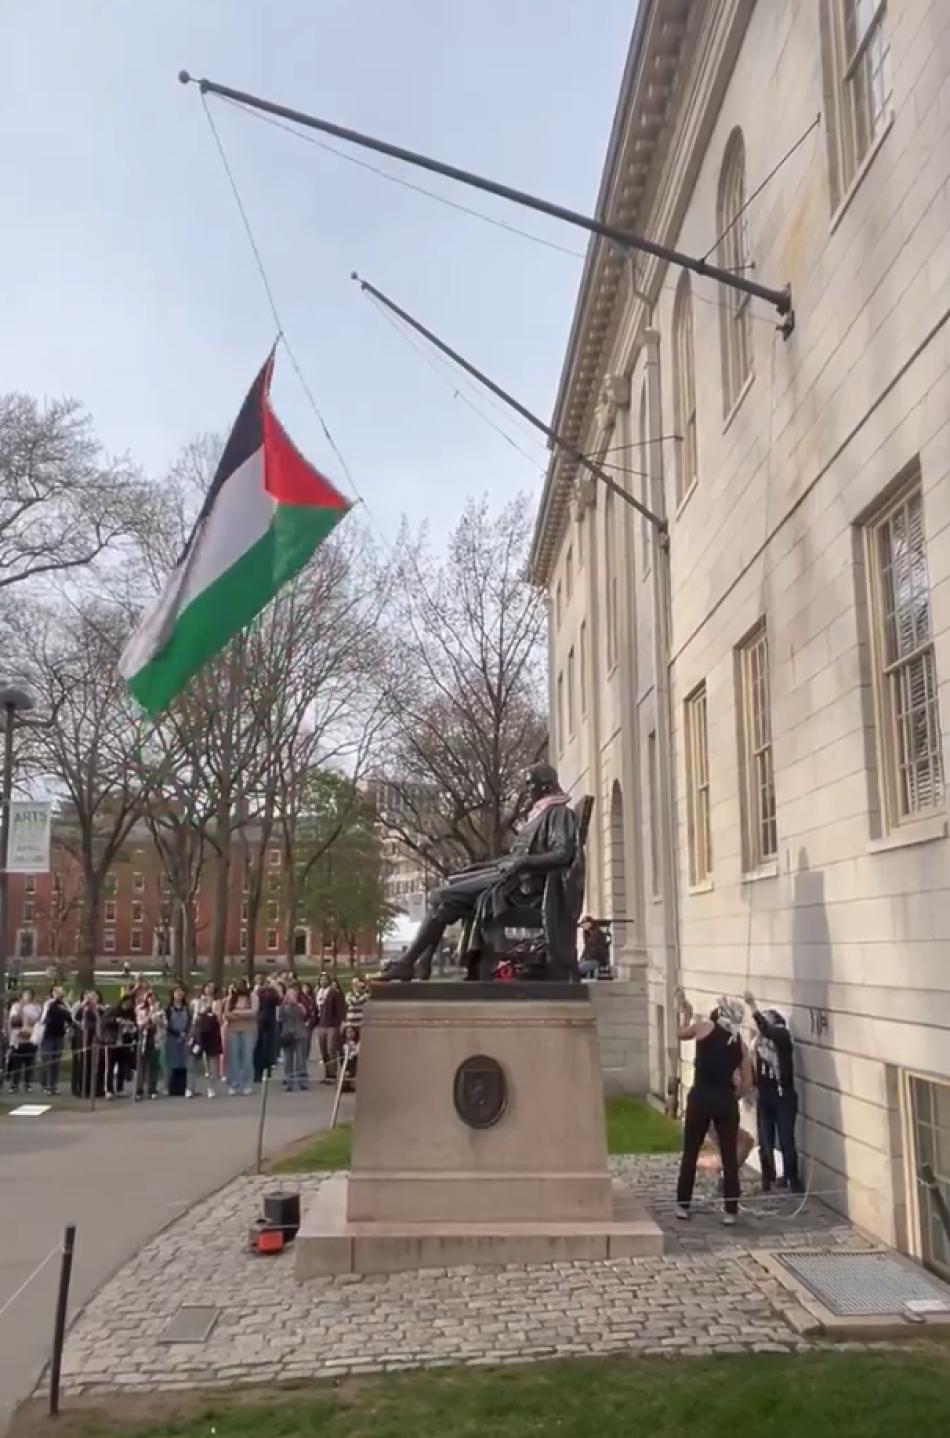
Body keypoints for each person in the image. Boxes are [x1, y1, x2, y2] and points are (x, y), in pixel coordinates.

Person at [379, 762, 580, 982]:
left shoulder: (560, 813)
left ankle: (411, 963)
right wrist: (481, 867)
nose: (526, 790)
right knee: (450, 886)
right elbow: (515, 857)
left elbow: (563, 854)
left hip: (524, 889)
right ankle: (419, 963)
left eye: (530, 784)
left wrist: (522, 863)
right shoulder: (540, 813)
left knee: (443, 896)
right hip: (509, 878)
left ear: (546, 787)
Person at [674, 992, 752, 1225]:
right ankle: (730, 1210)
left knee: (690, 1152)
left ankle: (682, 1205)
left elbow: (679, 1034)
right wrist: (732, 1095)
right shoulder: (740, 1044)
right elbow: (747, 1082)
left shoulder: (702, 1028)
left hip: (700, 1097)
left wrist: (684, 1015)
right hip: (725, 1101)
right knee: (729, 1157)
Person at [744, 990, 802, 1192]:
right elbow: (751, 1062)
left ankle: (792, 1178)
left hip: (782, 1095)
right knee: (765, 1139)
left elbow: (766, 1029)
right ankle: (767, 1179)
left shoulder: (782, 1037)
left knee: (786, 1138)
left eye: (768, 1020)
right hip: (765, 1095)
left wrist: (752, 1006)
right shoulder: (759, 1044)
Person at [37, 985, 74, 1096]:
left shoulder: (64, 1004)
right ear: (52, 992)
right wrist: (52, 1003)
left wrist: (67, 1012)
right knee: (47, 1060)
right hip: (47, 1035)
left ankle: (53, 1085)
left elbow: (70, 1018)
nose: (59, 993)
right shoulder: (49, 1004)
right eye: (57, 991)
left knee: (55, 1061)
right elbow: (43, 1019)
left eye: (61, 991)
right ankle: (45, 1085)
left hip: (59, 1035)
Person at [223, 980, 257, 1094]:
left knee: (247, 1057)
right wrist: (241, 1014)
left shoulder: (252, 996)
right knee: (233, 1057)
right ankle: (233, 1083)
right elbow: (226, 1013)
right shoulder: (231, 998)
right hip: (232, 1030)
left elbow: (253, 1012)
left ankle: (247, 1083)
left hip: (248, 1029)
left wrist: (236, 1013)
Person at [5, 986, 41, 1094]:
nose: (28, 996)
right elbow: (14, 1020)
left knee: (29, 1062)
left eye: (30, 994)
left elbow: (39, 1019)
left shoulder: (36, 1007)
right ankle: (14, 1084)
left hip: (31, 1036)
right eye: (25, 994)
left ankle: (27, 1083)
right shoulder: (16, 1006)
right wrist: (21, 1007)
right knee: (17, 1062)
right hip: (18, 1037)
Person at [190, 982, 223, 1098]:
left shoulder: (217, 1002)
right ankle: (190, 1088)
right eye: (207, 987)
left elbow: (219, 1018)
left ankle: (211, 1088)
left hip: (212, 1033)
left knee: (212, 1062)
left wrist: (214, 1011)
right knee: (193, 1059)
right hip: (198, 1033)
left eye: (212, 988)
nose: (209, 990)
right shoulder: (196, 1001)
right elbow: (194, 1017)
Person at [70, 990, 105, 1100]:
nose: (91, 999)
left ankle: (94, 1088)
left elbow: (103, 1020)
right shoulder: (81, 1009)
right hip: (83, 1040)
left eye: (94, 997)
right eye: (89, 997)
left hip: (96, 1040)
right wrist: (83, 1005)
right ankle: (81, 1089)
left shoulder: (99, 1009)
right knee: (82, 1064)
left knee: (95, 1065)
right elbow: (74, 1019)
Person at [278, 984, 310, 1092]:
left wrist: (296, 1005)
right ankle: (289, 1081)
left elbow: (304, 1015)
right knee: (288, 1060)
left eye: (294, 993)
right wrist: (286, 1003)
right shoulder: (283, 1006)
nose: (292, 995)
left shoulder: (300, 1005)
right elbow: (281, 1016)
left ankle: (302, 1081)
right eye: (290, 993)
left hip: (300, 1034)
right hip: (287, 1034)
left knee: (301, 1059)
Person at [135, 991, 164, 1100]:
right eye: (149, 997)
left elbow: (164, 1024)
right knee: (141, 1067)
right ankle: (139, 1089)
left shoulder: (160, 1011)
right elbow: (140, 1024)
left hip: (155, 1040)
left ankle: (152, 1089)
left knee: (153, 1066)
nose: (151, 1000)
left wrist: (156, 1015)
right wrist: (150, 1015)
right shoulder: (140, 1010)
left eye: (154, 998)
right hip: (143, 1040)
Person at [316, 975, 345, 1085]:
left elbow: (340, 1008)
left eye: (325, 979)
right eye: (321, 979)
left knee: (331, 1050)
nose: (323, 981)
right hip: (321, 1024)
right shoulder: (318, 992)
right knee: (324, 1051)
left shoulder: (333, 992)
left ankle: (333, 1074)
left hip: (332, 1025)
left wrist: (339, 1022)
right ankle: (327, 1074)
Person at [164, 986, 193, 1097]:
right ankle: (171, 1088)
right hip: (172, 1037)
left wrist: (185, 1033)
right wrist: (177, 1034)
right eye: (177, 992)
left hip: (185, 1037)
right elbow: (166, 1024)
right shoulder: (168, 1009)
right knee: (172, 1062)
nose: (179, 994)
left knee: (184, 1062)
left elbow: (190, 1021)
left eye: (181, 992)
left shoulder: (187, 1008)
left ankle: (183, 1087)